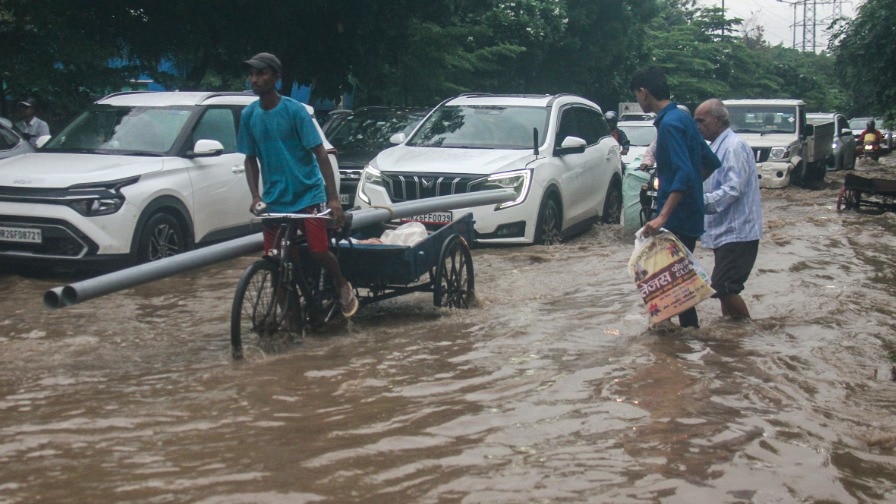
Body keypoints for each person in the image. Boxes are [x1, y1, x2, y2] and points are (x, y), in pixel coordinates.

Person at [236, 52, 358, 318]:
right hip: (275, 198)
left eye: (262, 73)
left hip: (307, 194)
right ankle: (290, 317)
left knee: (318, 250)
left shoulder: (294, 111)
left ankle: (341, 283)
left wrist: (333, 199)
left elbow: (320, 154)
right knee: (275, 258)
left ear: (276, 77)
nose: (255, 80)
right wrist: (255, 195)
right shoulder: (249, 115)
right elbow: (250, 159)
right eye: (252, 74)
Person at [629, 66, 720, 328]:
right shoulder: (682, 120)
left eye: (637, 95)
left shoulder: (669, 124)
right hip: (688, 214)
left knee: (671, 289)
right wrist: (690, 189)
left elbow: (683, 172)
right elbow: (708, 162)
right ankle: (683, 346)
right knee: (677, 286)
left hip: (676, 219)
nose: (638, 100)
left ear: (644, 93)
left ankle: (677, 346)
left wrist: (663, 215)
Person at [694, 99, 762, 319]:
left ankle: (744, 332)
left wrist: (699, 202)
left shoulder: (733, 146)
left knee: (724, 286)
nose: (698, 126)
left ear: (718, 119)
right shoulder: (715, 146)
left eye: (701, 121)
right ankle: (731, 332)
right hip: (724, 231)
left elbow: (733, 189)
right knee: (725, 288)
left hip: (738, 231)